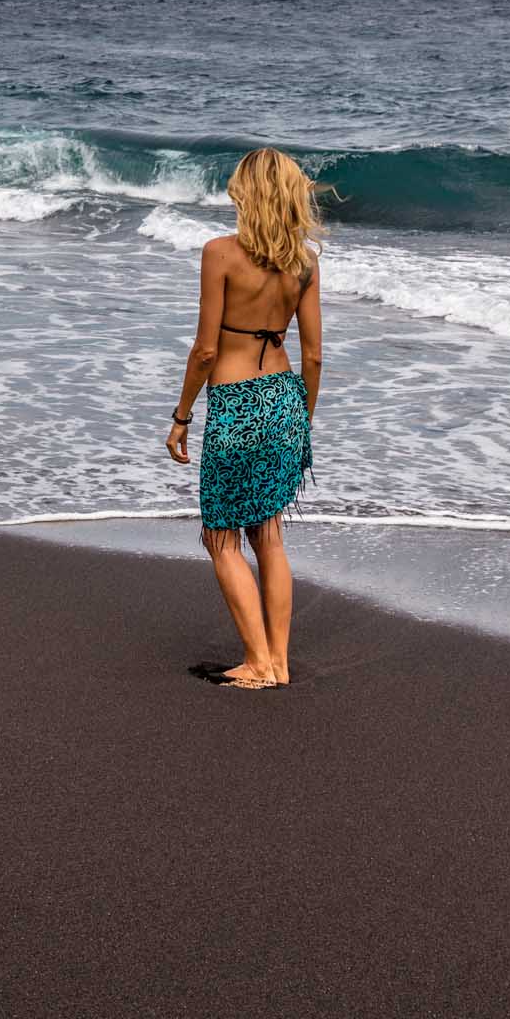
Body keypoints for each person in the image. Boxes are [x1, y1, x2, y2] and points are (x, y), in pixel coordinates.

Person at [164, 148, 325, 690]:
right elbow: (315, 357)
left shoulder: (220, 254)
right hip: (284, 399)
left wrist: (182, 416)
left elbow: (206, 351)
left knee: (221, 538)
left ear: (247, 195)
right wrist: (303, 416)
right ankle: (278, 661)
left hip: (236, 405)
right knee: (270, 537)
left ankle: (256, 663)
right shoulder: (304, 262)